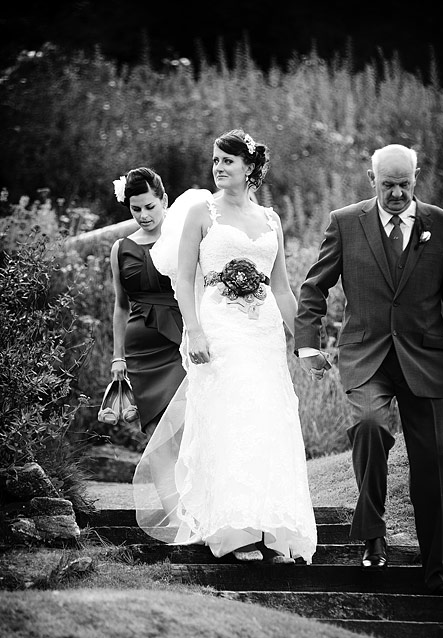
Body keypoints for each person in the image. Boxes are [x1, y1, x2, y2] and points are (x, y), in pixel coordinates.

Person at [295, 143, 443, 595]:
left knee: (433, 462)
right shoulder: (345, 222)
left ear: (416, 178)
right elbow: (314, 286)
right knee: (371, 427)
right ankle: (373, 532)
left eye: (405, 184)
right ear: (372, 179)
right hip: (367, 355)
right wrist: (306, 345)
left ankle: (440, 570)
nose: (397, 193)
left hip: (425, 356)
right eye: (388, 184)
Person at [133, 129, 317, 564]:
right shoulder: (202, 211)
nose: (218, 167)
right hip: (219, 331)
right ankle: (234, 533)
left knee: (268, 420)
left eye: (228, 161)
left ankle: (273, 531)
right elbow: (181, 278)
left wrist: (305, 345)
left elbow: (284, 291)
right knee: (230, 418)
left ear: (250, 167)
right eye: (215, 160)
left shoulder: (271, 220)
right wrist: (194, 330)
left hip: (264, 334)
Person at [109, 167, 186, 438]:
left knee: (186, 426)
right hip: (140, 353)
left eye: (150, 206)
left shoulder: (184, 239)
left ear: (164, 201)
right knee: (157, 433)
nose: (143, 215)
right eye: (135, 209)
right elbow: (121, 306)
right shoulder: (120, 248)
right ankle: (166, 484)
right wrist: (118, 356)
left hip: (180, 343)